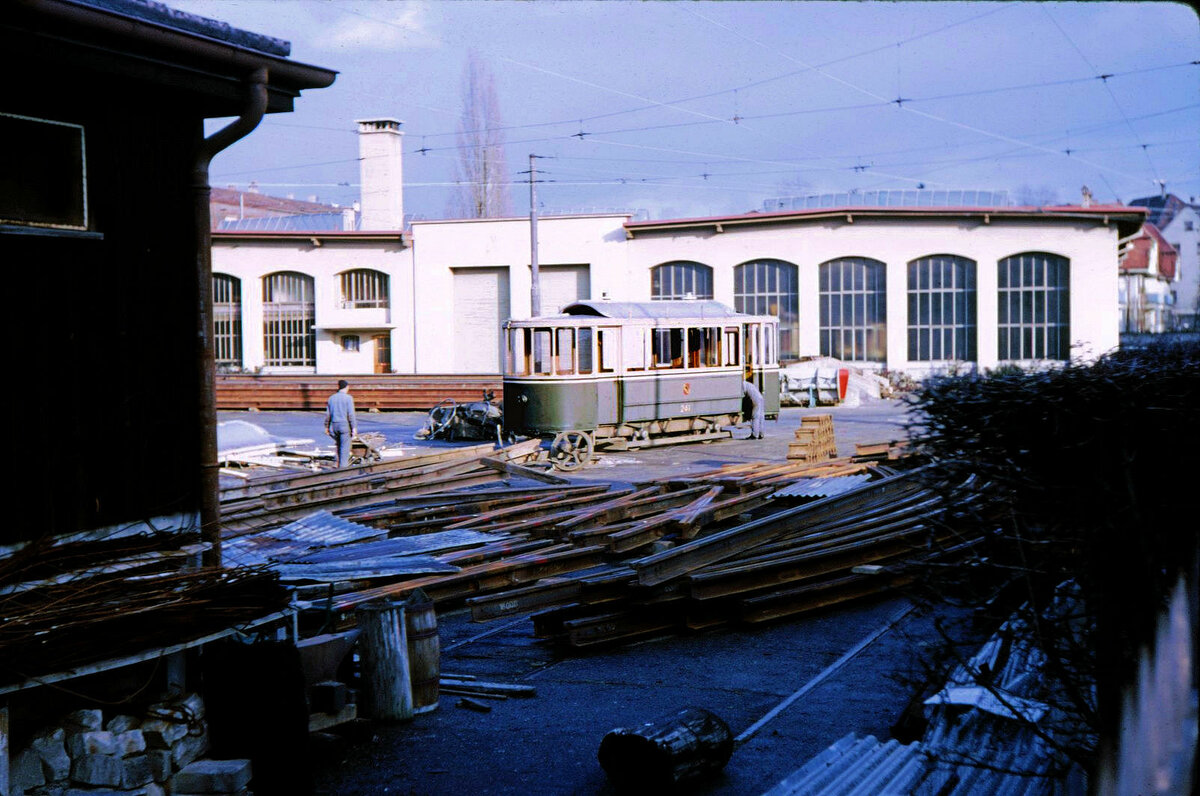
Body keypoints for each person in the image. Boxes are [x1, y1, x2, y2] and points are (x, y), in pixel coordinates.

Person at [324, 379, 358, 467]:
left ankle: (337, 463)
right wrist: (354, 428)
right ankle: (343, 469)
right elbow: (351, 414)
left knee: (338, 446)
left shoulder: (331, 398)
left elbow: (328, 415)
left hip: (334, 425)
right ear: (346, 387)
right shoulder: (348, 398)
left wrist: (326, 427)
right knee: (344, 448)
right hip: (344, 425)